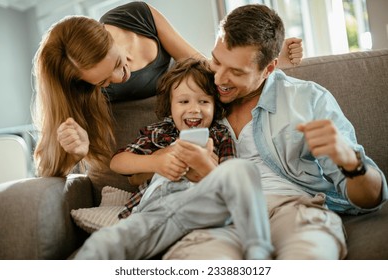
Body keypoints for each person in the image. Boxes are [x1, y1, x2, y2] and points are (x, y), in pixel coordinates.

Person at [163, 4, 388, 260]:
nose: (219, 79)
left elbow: (371, 199)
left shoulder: (307, 99)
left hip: (294, 210)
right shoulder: (198, 96)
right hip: (221, 216)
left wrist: (350, 163)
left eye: (236, 72)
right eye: (216, 61)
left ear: (269, 69)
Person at [32, 1, 303, 178]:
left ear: (107, 36)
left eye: (117, 63)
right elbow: (94, 158)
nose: (120, 77)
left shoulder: (138, 15)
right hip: (159, 148)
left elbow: (203, 68)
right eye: (104, 82)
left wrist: (267, 61)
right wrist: (78, 151)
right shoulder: (84, 89)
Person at [73, 58, 273, 260]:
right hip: (156, 209)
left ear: (215, 105)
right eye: (184, 101)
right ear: (171, 106)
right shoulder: (161, 131)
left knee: (242, 169)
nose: (194, 109)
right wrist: (156, 162)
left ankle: (258, 251)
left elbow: (231, 186)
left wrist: (204, 167)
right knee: (101, 243)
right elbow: (118, 162)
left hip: (200, 206)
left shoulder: (219, 134)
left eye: (204, 101)